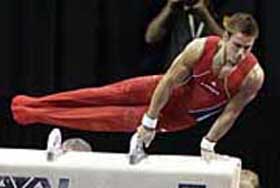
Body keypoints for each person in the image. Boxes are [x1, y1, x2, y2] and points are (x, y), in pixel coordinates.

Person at [5, 12, 263, 162]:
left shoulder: (252, 76)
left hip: (177, 117)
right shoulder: (200, 48)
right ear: (225, 37)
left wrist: (208, 143)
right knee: (100, 96)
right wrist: (149, 120)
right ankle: (29, 102)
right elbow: (168, 81)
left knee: (104, 118)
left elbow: (231, 113)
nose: (241, 53)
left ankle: (32, 114)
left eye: (247, 48)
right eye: (237, 46)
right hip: (159, 92)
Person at [141, 0, 223, 74]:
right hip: (174, 73)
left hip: (204, 75)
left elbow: (225, 42)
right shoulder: (175, 12)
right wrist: (168, 7)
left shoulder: (216, 12)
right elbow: (150, 37)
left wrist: (205, 16)